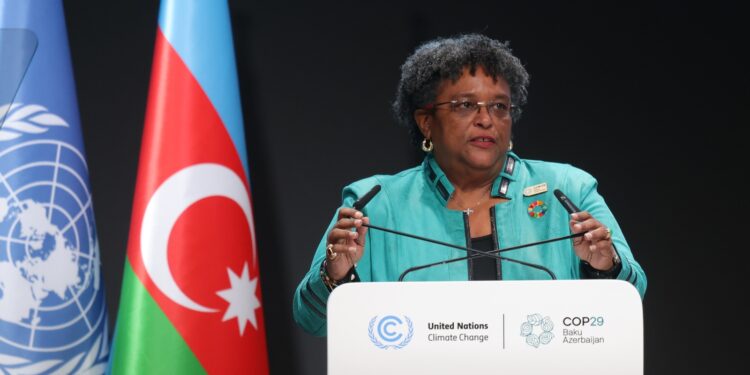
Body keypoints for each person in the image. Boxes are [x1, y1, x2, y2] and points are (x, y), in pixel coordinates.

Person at [293, 34, 646, 336]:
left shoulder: (568, 189)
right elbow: (312, 321)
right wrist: (335, 276)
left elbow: (632, 296)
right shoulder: (375, 204)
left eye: (499, 106)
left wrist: (604, 266)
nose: (485, 119)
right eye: (465, 105)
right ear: (426, 122)